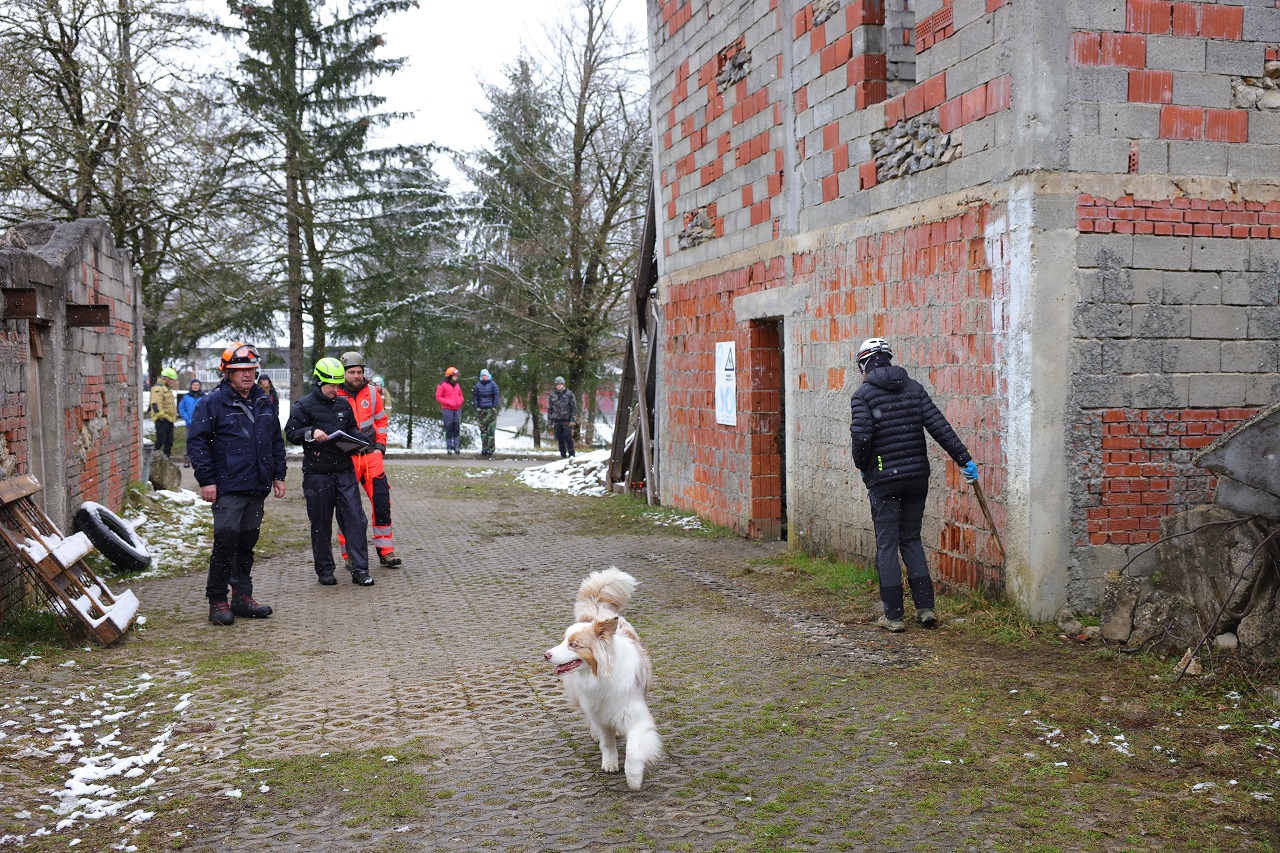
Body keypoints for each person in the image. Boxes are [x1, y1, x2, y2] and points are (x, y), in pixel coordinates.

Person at [849, 337, 978, 633]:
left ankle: (893, 616)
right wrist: (964, 460)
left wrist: (863, 468)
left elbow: (862, 438)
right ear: (889, 359)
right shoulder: (914, 388)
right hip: (917, 479)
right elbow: (939, 427)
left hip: (884, 480)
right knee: (911, 540)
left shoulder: (863, 395)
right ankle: (925, 608)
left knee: (887, 544)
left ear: (864, 364)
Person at [186, 343, 286, 626]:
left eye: (251, 370)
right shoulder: (212, 403)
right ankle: (217, 599)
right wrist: (206, 481)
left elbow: (275, 441)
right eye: (240, 370)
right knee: (225, 541)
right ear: (227, 372)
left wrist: (279, 475)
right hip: (227, 486)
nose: (247, 375)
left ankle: (242, 597)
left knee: (246, 542)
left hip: (257, 485)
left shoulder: (265, 401)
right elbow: (197, 443)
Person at [285, 357, 375, 586]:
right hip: (317, 474)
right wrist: (311, 432)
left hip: (344, 471)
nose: (336, 390)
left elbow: (353, 428)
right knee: (321, 523)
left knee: (356, 520)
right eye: (331, 386)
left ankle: (360, 570)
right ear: (318, 382)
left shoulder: (343, 405)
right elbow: (292, 433)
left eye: (338, 385)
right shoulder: (303, 405)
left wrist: (360, 439)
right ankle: (325, 570)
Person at [335, 351, 401, 569]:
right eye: (351, 372)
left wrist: (381, 446)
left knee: (382, 503)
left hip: (372, 455)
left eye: (359, 372)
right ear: (343, 373)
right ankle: (349, 556)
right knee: (348, 508)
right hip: (348, 458)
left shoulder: (372, 393)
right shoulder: (335, 393)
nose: (355, 376)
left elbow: (381, 420)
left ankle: (386, 551)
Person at [547, 375, 578, 459]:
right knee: (560, 440)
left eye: (560, 384)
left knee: (568, 439)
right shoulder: (553, 396)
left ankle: (572, 455)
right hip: (557, 421)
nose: (559, 386)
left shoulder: (570, 394)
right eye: (557, 384)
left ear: (563, 384)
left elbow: (574, 408)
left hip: (567, 421)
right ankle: (563, 456)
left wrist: (573, 420)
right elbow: (550, 410)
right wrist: (549, 422)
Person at [150, 367, 178, 457]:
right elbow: (155, 403)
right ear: (166, 378)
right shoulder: (158, 388)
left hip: (169, 419)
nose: (172, 382)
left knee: (169, 441)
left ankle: (166, 461)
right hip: (162, 419)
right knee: (160, 440)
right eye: (172, 380)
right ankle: (153, 460)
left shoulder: (167, 388)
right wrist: (161, 416)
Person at [435, 366, 464, 455]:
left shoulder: (457, 385)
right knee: (449, 428)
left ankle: (456, 446)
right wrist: (448, 402)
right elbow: (438, 397)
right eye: (454, 375)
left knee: (456, 428)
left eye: (456, 375)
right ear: (449, 376)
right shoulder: (442, 385)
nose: (456, 377)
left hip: (457, 409)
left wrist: (460, 401)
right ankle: (449, 447)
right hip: (447, 409)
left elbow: (460, 395)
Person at [472, 368, 500, 457]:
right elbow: (475, 397)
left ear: (488, 376)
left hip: (490, 410)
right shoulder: (477, 386)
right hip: (481, 410)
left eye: (485, 375)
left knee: (491, 429)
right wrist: (477, 407)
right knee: (483, 430)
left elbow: (496, 396)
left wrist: (494, 407)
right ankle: (484, 448)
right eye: (483, 375)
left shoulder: (493, 385)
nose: (484, 377)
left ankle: (491, 448)